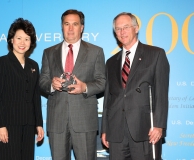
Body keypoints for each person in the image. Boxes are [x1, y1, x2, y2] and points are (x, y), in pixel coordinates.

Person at [101, 12, 170, 160]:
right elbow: (108, 99)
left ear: (136, 28)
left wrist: (159, 125)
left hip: (145, 129)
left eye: (126, 27)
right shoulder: (111, 62)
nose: (122, 32)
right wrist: (105, 129)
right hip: (116, 131)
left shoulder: (156, 54)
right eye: (118, 29)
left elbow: (161, 94)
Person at [39, 9, 106, 160]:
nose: (70, 28)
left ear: (82, 27)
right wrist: (51, 84)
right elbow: (42, 81)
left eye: (75, 24)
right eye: (66, 24)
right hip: (57, 121)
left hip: (84, 121)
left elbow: (102, 82)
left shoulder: (96, 52)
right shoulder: (49, 52)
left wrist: (85, 87)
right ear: (61, 26)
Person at [0, 18, 44, 160]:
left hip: (28, 124)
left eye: (27, 39)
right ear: (11, 40)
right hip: (8, 124)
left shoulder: (34, 65)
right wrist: (0, 125)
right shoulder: (1, 63)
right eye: (19, 38)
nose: (22, 42)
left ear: (31, 42)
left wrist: (39, 123)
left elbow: (35, 97)